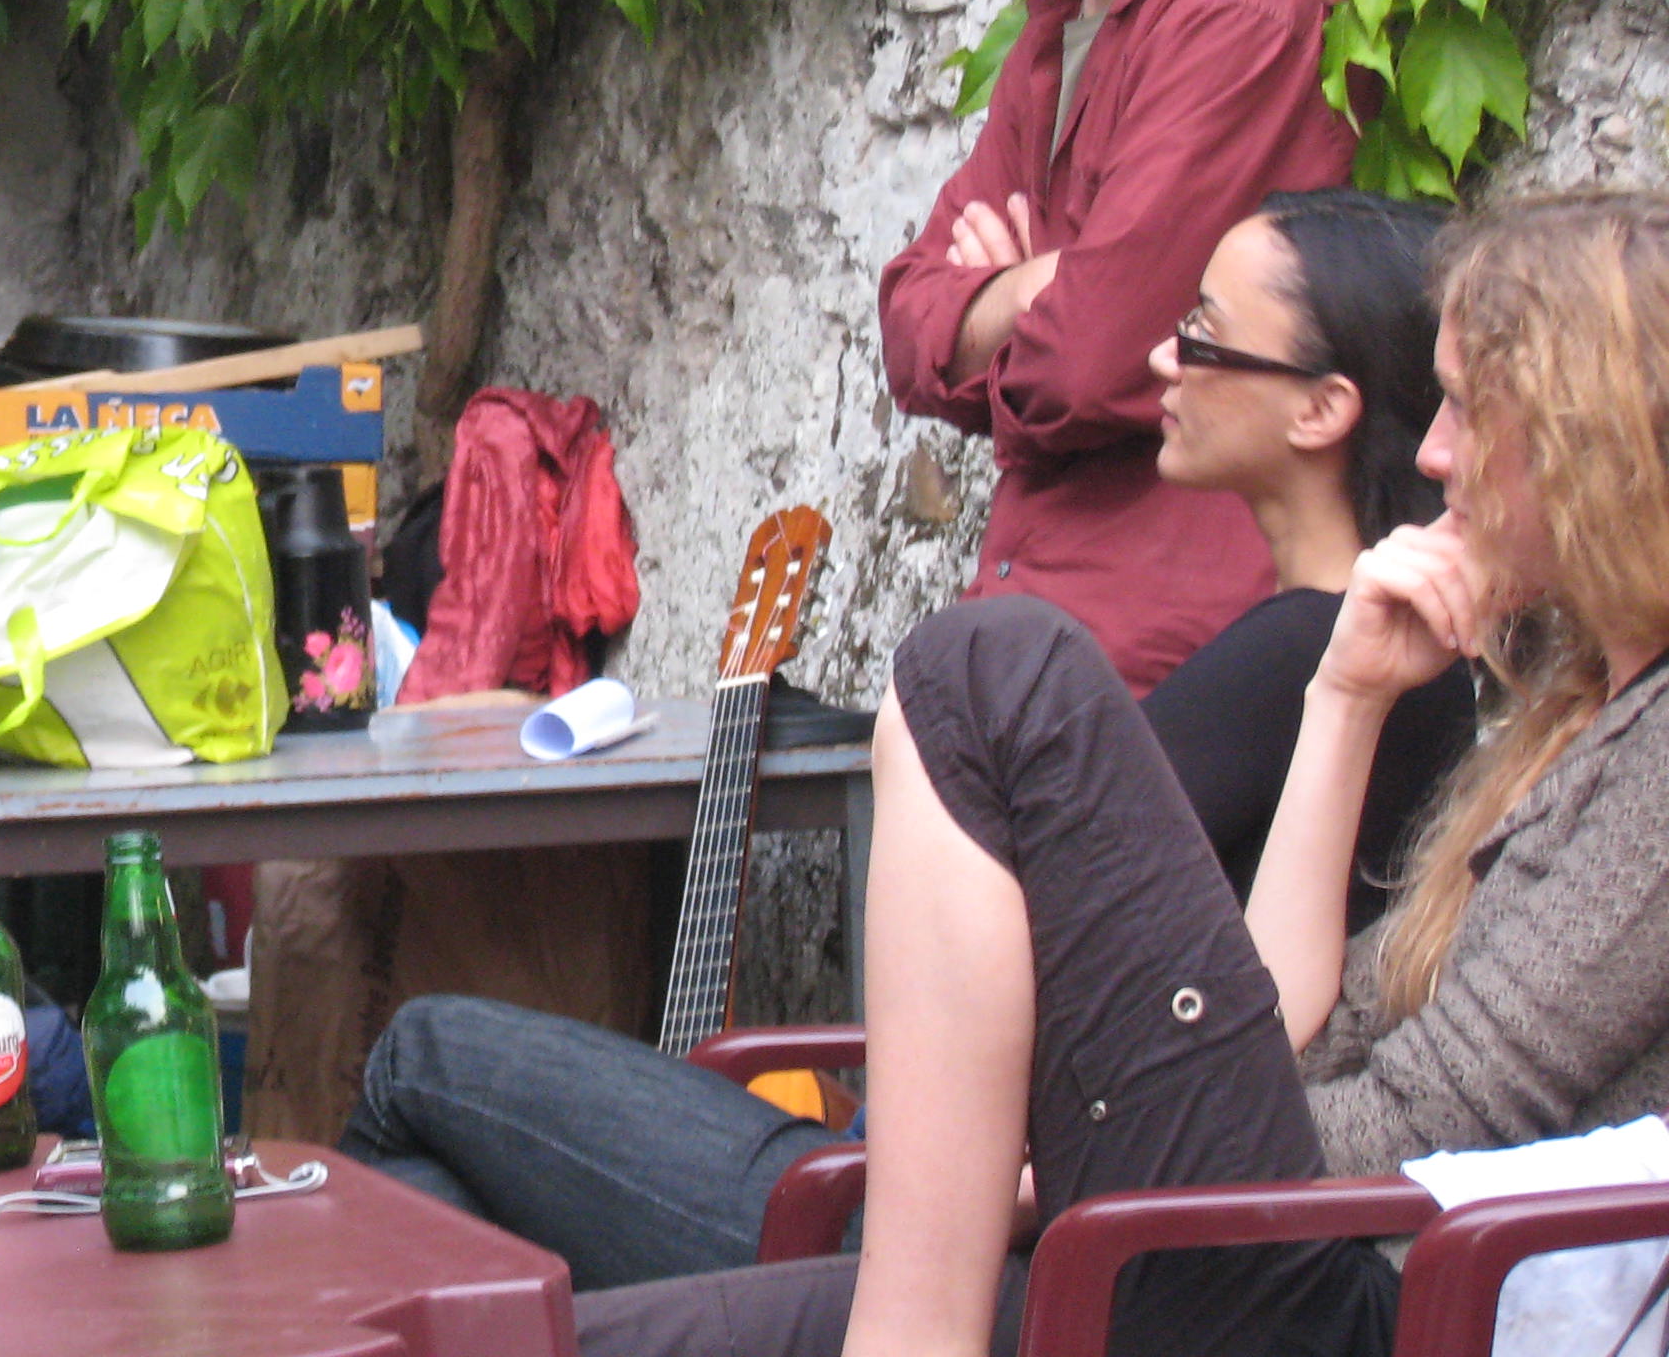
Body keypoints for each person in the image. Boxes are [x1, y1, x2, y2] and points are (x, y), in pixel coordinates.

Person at [578, 190, 1669, 1357]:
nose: (1434, 453)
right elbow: (1301, 1029)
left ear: (1593, 448)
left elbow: (1431, 1122)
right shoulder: (1570, 710)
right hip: (1225, 1303)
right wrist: (1342, 699)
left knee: (993, 676)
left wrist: (1073, 1169)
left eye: (1471, 412)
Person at [343, 188, 1474, 1293]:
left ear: (1320, 411)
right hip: (959, 1199)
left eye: (1204, 336)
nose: (1161, 359)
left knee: (419, 1056)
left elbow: (1196, 986)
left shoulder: (1310, 659)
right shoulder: (1368, 661)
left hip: (926, 1228)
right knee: (459, 1189)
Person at [879, 0, 1359, 696]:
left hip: (1169, 673)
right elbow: (907, 326)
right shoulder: (1062, 14)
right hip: (1039, 643)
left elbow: (1091, 363)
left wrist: (1007, 302)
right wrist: (1035, 289)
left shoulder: (1246, 8)